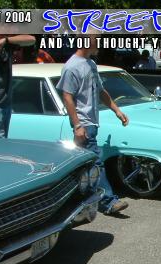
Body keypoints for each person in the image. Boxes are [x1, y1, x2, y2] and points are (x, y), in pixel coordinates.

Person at [56, 35, 129, 216]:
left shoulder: (91, 64)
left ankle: (79, 200)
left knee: (83, 165)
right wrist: (77, 125)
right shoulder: (71, 67)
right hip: (84, 123)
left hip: (92, 123)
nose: (100, 44)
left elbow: (101, 91)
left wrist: (116, 110)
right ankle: (108, 201)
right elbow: (67, 97)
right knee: (96, 163)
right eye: (97, 40)